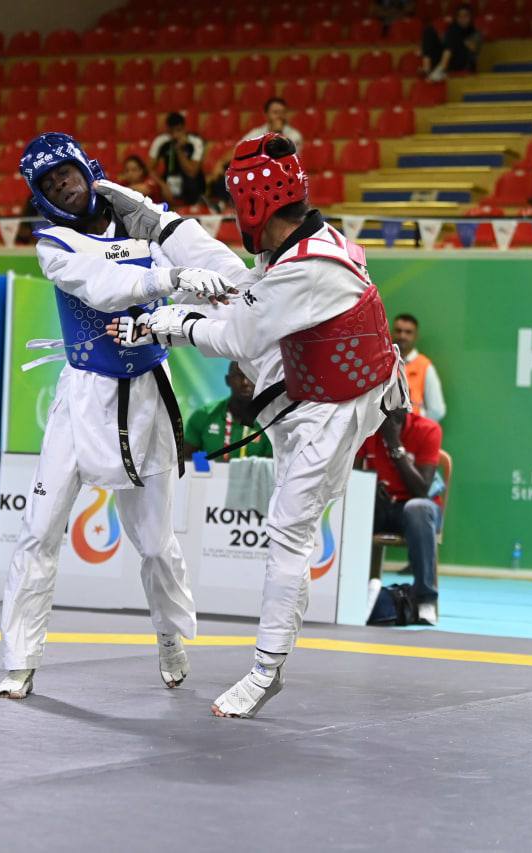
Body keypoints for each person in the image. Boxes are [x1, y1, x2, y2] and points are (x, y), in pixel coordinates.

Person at [97, 133, 408, 718]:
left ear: (254, 206)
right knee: (223, 278)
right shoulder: (300, 248)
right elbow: (236, 280)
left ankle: (267, 670)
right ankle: (158, 225)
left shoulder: (305, 269)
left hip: (335, 411)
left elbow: (235, 337)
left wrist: (165, 323)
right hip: (320, 387)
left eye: (238, 206)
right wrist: (165, 230)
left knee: (289, 532)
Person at [0, 132, 233, 701]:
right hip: (83, 397)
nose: (63, 186)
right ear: (40, 197)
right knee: (38, 531)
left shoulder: (146, 221)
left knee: (155, 543)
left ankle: (170, 637)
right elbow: (103, 287)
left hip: (148, 394)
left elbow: (207, 276)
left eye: (67, 173)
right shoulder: (53, 244)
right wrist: (169, 279)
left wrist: (184, 280)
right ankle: (20, 661)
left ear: (87, 168)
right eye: (49, 184)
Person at [356, 410, 443, 626]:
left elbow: (421, 490)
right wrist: (369, 486)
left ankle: (425, 600)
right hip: (380, 507)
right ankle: (351, 593)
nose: (385, 413)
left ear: (405, 408)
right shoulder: (366, 429)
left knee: (417, 508)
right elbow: (352, 478)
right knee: (351, 508)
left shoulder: (427, 430)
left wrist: (394, 445)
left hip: (414, 511)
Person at [184, 361, 274, 460]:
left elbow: (272, 465)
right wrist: (206, 467)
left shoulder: (271, 422)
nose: (245, 382)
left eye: (251, 375)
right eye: (239, 376)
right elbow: (187, 457)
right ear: (228, 380)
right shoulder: (204, 415)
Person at [392, 313, 446, 423]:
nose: (402, 336)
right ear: (392, 333)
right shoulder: (383, 362)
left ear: (416, 336)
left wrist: (415, 426)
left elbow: (437, 410)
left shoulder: (425, 366)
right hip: (383, 430)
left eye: (408, 332)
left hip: (411, 431)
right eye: (398, 331)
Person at [148, 112, 207, 205]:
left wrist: (179, 150)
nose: (175, 135)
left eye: (178, 130)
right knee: (150, 186)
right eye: (171, 132)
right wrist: (163, 185)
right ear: (167, 130)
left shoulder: (195, 142)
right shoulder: (160, 141)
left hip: (190, 181)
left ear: (184, 128)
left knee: (192, 184)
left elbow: (192, 172)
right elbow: (149, 169)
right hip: (168, 180)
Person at [420, 4, 481, 83]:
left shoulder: (475, 33)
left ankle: (440, 70)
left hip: (466, 68)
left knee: (454, 37)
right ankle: (433, 70)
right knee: (430, 31)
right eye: (460, 16)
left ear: (471, 17)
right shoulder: (453, 30)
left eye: (466, 16)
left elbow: (473, 50)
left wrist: (460, 40)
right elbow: (447, 49)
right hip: (450, 66)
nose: (462, 19)